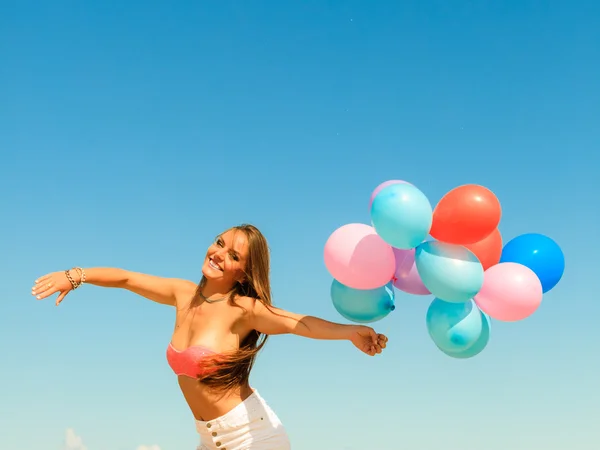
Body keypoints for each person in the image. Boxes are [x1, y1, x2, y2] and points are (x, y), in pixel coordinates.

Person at [31, 224, 388, 450]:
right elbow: (126, 278)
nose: (218, 254)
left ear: (244, 270)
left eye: (233, 255)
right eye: (219, 242)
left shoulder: (244, 310)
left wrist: (350, 333)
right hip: (208, 438)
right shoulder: (181, 293)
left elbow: (300, 324)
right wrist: (75, 275)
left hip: (253, 438)